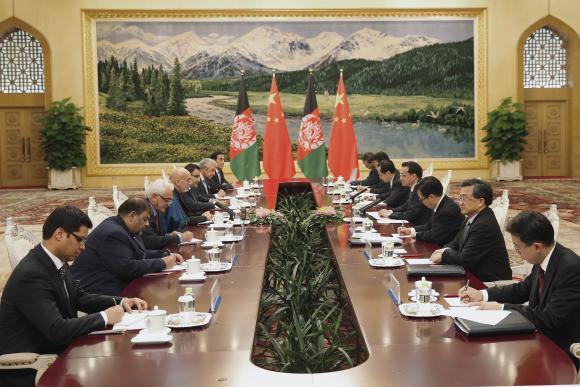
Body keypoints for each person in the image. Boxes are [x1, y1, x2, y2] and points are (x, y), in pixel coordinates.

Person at [0, 206, 147, 387]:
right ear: (60, 234)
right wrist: (104, 317)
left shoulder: (55, 261)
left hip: (59, 351)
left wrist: (122, 301)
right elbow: (57, 330)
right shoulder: (31, 275)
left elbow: (80, 297)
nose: (84, 247)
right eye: (80, 240)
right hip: (33, 367)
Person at [459, 211, 580, 368]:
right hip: (538, 332)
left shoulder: (570, 268)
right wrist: (482, 294)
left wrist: (502, 308)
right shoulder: (545, 257)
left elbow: (550, 318)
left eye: (518, 247)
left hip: (560, 347)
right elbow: (523, 289)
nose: (516, 252)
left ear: (537, 246)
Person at [71, 198, 183, 296]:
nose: (147, 224)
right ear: (132, 216)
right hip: (96, 290)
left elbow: (140, 253)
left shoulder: (123, 227)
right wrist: (162, 263)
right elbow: (127, 268)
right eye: (144, 219)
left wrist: (166, 254)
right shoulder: (113, 233)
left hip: (112, 282)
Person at [429, 179, 512, 282]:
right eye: (460, 197)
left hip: (489, 282)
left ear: (480, 202)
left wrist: (443, 255)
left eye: (465, 198)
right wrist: (441, 251)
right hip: (473, 272)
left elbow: (465, 260)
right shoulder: (470, 217)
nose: (460, 203)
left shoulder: (483, 225)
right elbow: (455, 243)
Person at [399, 176, 463, 246]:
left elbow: (434, 236)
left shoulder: (447, 211)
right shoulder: (440, 203)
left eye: (421, 199)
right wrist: (410, 230)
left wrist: (413, 234)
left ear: (431, 197)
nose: (421, 202)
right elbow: (428, 226)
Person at [142, 178, 194, 250]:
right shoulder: (143, 210)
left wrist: (168, 235)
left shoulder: (158, 210)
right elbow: (151, 241)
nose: (169, 204)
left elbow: (157, 236)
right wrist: (180, 237)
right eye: (167, 200)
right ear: (154, 196)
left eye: (170, 201)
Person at [378, 161, 432, 226]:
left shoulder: (421, 190)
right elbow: (406, 205)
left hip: (418, 226)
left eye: (403, 175)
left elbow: (412, 214)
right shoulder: (413, 186)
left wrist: (389, 215)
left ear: (413, 176)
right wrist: (390, 211)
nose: (400, 178)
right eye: (400, 175)